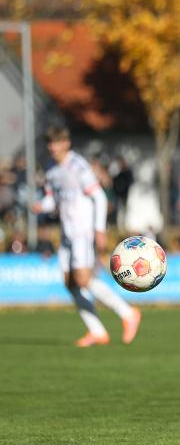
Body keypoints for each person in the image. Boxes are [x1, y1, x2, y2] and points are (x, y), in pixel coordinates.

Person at [32, 126, 142, 347]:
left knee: (83, 279)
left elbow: (99, 197)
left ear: (66, 143)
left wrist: (99, 229)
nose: (52, 147)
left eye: (56, 142)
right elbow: (55, 199)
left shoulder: (78, 166)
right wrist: (42, 205)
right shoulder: (52, 170)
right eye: (50, 143)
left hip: (83, 231)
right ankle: (97, 331)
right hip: (67, 233)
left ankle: (128, 313)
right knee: (69, 283)